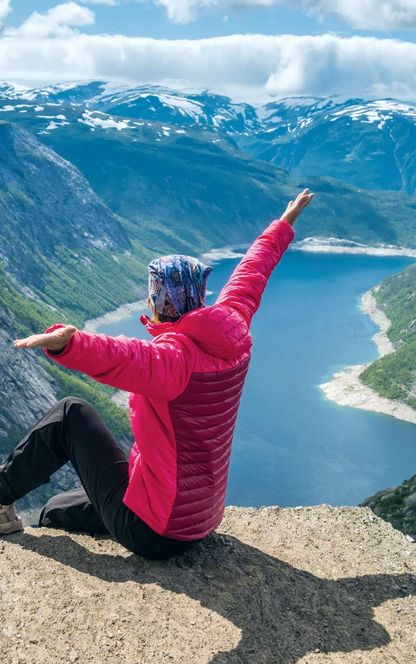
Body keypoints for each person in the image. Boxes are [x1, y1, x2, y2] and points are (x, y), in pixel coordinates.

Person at [0, 189, 314, 559]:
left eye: (151, 295)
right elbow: (252, 273)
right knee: (54, 509)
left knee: (71, 413)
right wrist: (283, 225)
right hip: (198, 518)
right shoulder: (233, 329)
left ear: (160, 302)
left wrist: (68, 343)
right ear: (197, 297)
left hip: (155, 529)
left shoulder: (174, 360)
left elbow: (118, 355)